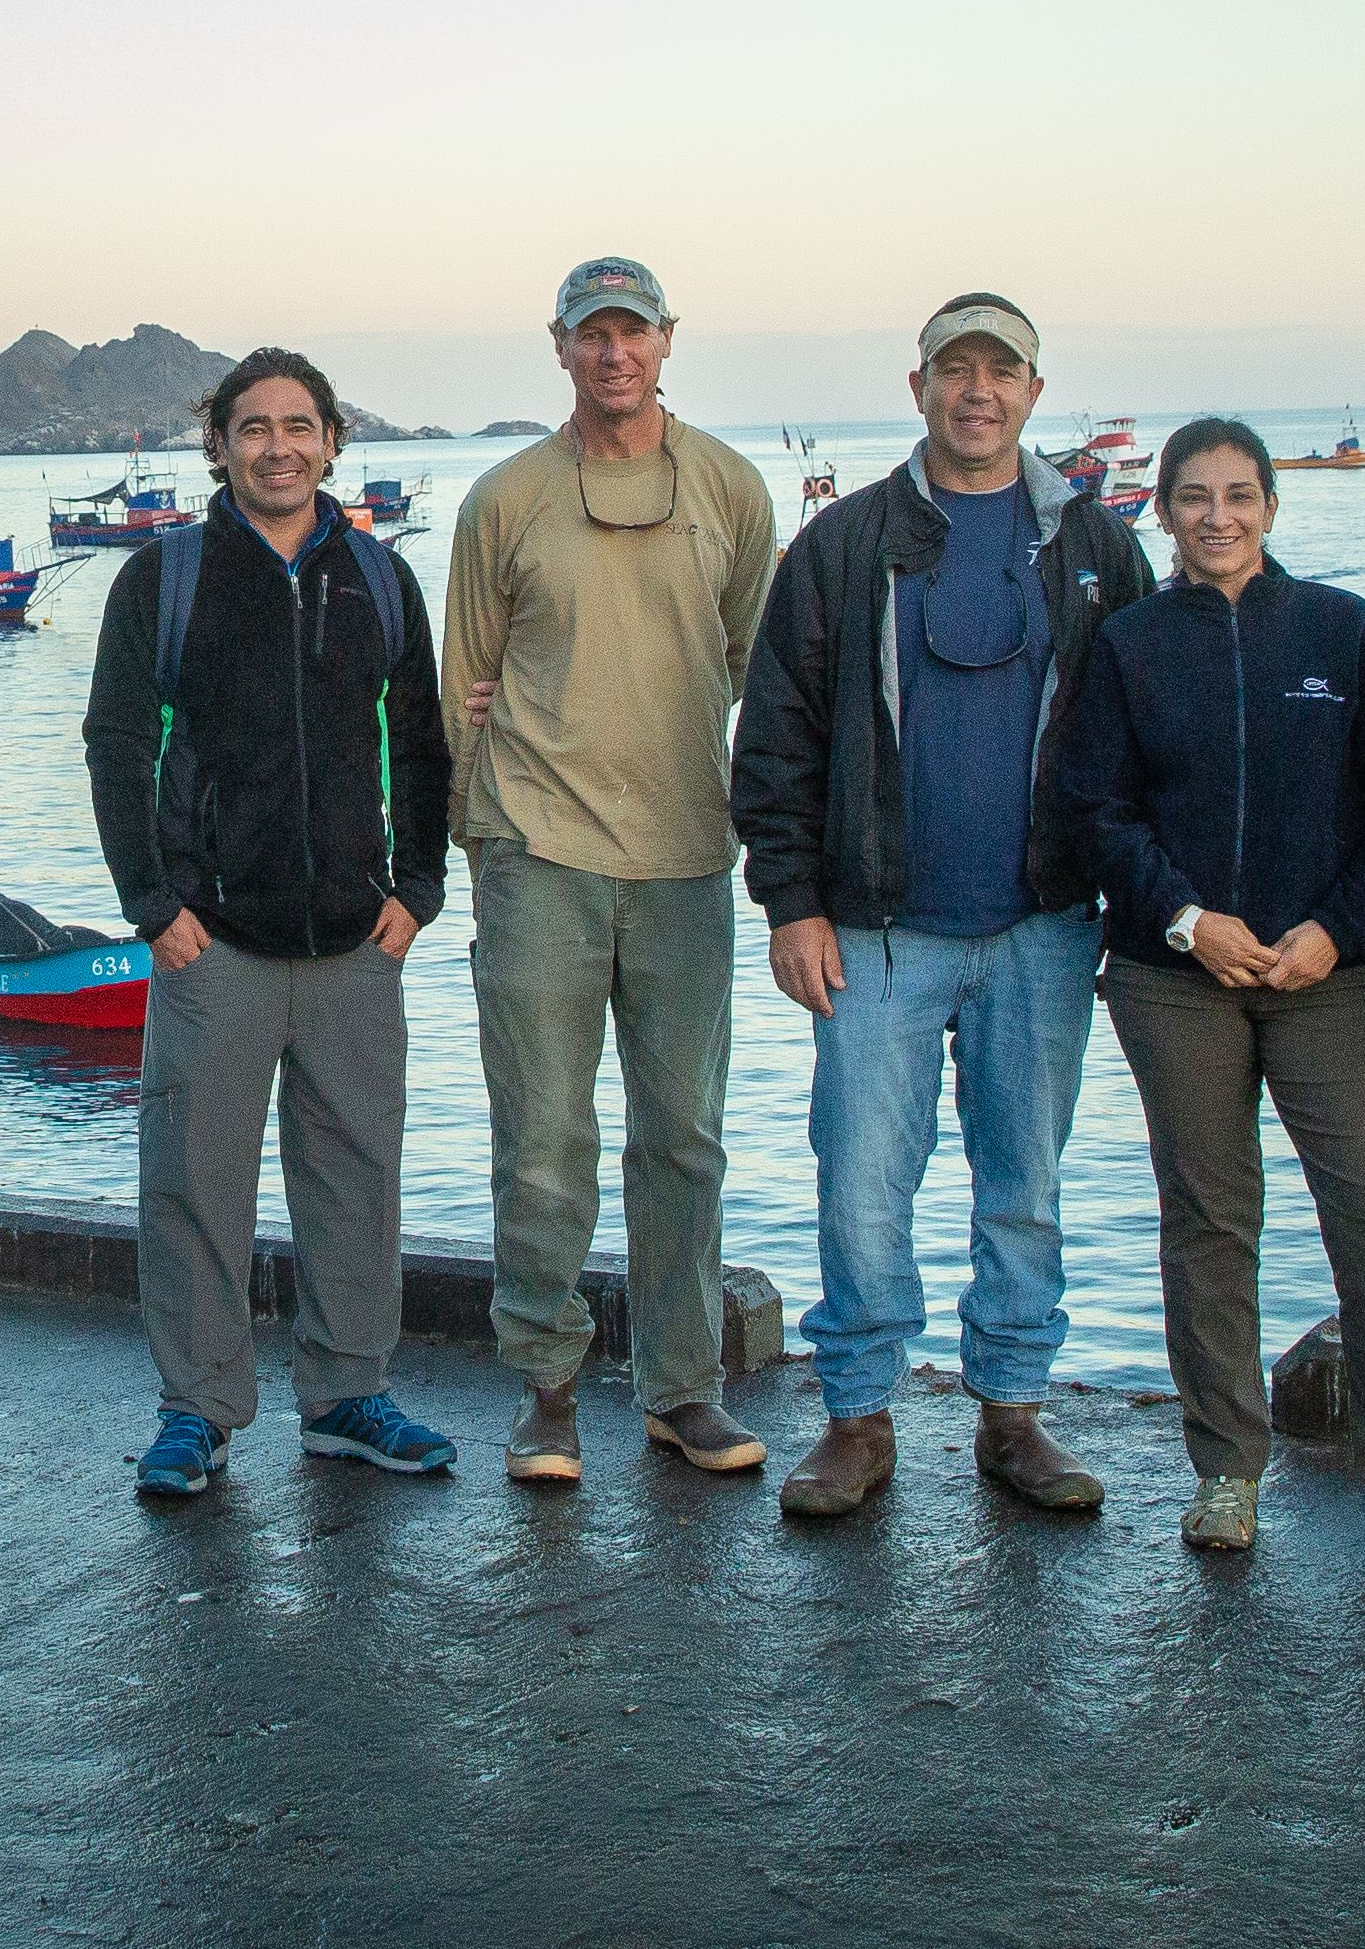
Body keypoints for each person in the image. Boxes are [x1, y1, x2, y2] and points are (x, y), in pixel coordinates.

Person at [725, 294, 1152, 1519]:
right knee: (862, 1185)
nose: (978, 391)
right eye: (955, 370)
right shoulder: (848, 545)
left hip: (1046, 927)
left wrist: (1146, 899)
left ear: (1033, 388)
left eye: (1001, 371)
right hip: (876, 932)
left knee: (1024, 1180)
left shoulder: (1093, 545)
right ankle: (858, 1420)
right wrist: (791, 905)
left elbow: (1139, 731)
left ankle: (1013, 1416)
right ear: (917, 387)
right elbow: (780, 736)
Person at [1053, 419, 1365, 1571]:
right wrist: (1186, 918)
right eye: (1192, 497)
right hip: (1177, 979)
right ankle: (1227, 1473)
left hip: (1332, 978)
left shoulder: (1342, 631)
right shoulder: (1129, 645)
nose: (1216, 516)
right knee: (1212, 1226)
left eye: (1238, 494)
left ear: (1272, 506)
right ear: (1165, 513)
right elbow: (1098, 810)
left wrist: (1340, 927)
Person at [82, 344, 459, 1502]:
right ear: (221, 447)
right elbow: (114, 743)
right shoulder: (167, 578)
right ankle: (197, 1409)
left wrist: (416, 892)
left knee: (356, 1175)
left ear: (334, 443)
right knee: (194, 1180)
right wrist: (155, 908)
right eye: (255, 429)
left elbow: (426, 742)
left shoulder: (384, 579)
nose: (279, 447)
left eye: (301, 427)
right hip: (216, 942)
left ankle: (349, 1395)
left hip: (357, 941)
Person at [441, 255, 783, 1484]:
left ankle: (682, 1389)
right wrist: (477, 843)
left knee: (684, 1135)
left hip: (689, 858)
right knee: (541, 1137)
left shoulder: (734, 490)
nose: (615, 354)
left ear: (668, 341)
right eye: (594, 335)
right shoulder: (506, 499)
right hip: (537, 854)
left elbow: (764, 669)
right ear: (561, 346)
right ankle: (545, 1385)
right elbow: (461, 691)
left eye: (634, 333)